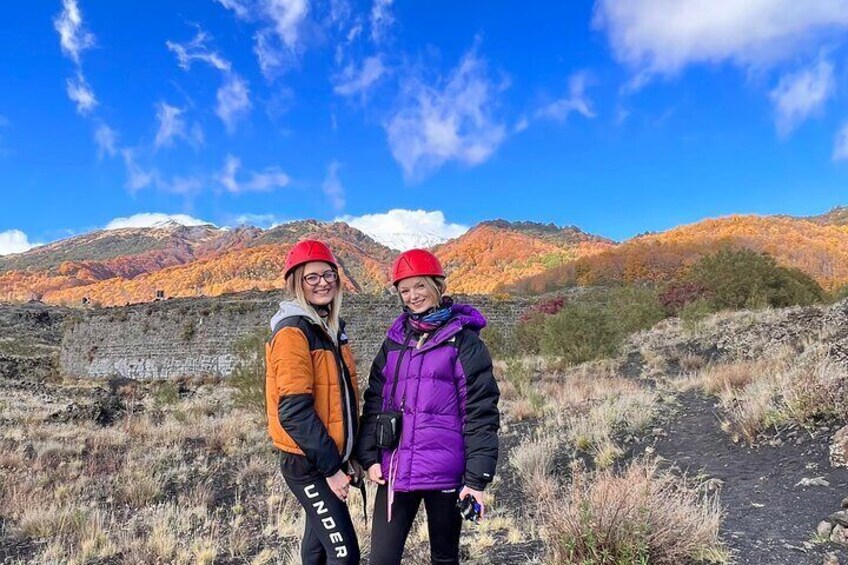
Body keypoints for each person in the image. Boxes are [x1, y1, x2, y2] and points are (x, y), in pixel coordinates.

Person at [356, 249, 500, 565]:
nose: (413, 296)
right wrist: (368, 457)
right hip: (395, 471)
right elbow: (376, 399)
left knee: (445, 559)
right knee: (381, 559)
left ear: (437, 285)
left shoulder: (464, 341)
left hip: (446, 474)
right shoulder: (394, 339)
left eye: (420, 286)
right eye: (404, 290)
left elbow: (480, 412)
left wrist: (476, 481)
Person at [265, 239, 361, 564]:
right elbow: (293, 411)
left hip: (326, 457)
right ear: (297, 284)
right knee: (344, 553)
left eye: (328, 275)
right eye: (312, 277)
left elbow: (340, 401)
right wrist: (332, 468)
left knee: (318, 548)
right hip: (308, 464)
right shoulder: (294, 332)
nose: (323, 283)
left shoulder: (329, 330)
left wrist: (348, 455)